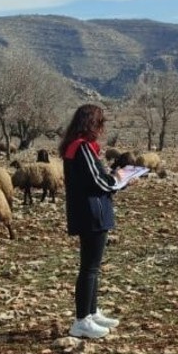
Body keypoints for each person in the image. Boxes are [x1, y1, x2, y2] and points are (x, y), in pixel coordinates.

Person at [59, 103, 134, 339]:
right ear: (91, 124)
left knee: (92, 267)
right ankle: (82, 320)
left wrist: (114, 179)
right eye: (100, 123)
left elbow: (95, 178)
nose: (102, 129)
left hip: (90, 210)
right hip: (91, 212)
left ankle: (91, 312)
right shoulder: (81, 148)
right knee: (89, 268)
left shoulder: (79, 147)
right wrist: (119, 179)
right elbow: (98, 182)